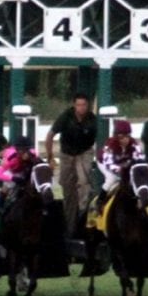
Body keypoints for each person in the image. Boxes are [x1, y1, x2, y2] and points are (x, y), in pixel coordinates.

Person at [45, 93, 98, 238]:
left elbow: (102, 138)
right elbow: (50, 136)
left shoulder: (93, 120)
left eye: (84, 105)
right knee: (67, 189)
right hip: (67, 154)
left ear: (88, 106)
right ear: (74, 105)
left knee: (83, 180)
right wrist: (50, 157)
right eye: (79, 105)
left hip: (84, 152)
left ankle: (84, 210)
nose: (81, 108)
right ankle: (70, 227)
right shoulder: (65, 117)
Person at [94, 119, 145, 210]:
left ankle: (140, 200)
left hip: (124, 164)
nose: (124, 140)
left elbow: (140, 158)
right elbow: (108, 164)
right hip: (104, 163)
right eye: (121, 137)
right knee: (112, 179)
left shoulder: (134, 144)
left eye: (127, 136)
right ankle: (100, 201)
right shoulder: (111, 145)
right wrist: (121, 170)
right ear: (116, 137)